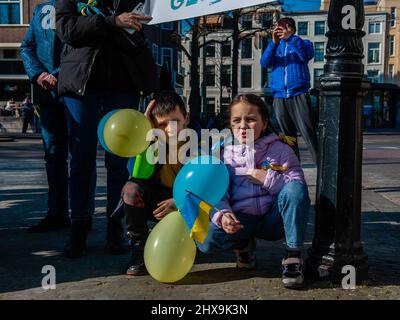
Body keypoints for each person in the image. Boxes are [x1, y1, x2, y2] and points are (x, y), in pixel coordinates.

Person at [56, 0, 157, 258]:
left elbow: (148, 23)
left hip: (125, 84)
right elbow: (66, 29)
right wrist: (113, 21)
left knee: (120, 162)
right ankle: (79, 227)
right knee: (81, 159)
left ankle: (116, 228)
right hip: (82, 85)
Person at [197, 94, 311, 289]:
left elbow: (297, 187)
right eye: (236, 120)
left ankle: (293, 256)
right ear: (231, 126)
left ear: (264, 123)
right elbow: (217, 192)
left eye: (250, 119)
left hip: (273, 220)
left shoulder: (281, 150)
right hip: (241, 220)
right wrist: (223, 215)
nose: (243, 125)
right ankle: (243, 246)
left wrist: (268, 178)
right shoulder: (222, 154)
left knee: (294, 190)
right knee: (205, 239)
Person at [121, 91, 190, 276]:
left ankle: (186, 243)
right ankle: (139, 248)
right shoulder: (152, 144)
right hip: (158, 201)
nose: (169, 129)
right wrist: (145, 133)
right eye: (162, 125)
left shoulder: (198, 147)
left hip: (185, 204)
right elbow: (137, 177)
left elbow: (203, 188)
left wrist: (179, 202)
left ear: (187, 119)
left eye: (175, 122)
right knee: (131, 189)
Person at [20, 0, 71, 233]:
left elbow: (83, 48)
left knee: (82, 157)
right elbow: (26, 46)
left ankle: (82, 215)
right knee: (53, 156)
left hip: (75, 91)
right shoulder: (40, 10)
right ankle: (57, 213)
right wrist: (39, 74)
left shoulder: (82, 7)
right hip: (47, 95)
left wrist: (56, 74)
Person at [260, 17, 318, 163]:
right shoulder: (276, 48)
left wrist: (290, 39)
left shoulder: (303, 43)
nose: (280, 31)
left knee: (308, 133)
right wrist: (273, 43)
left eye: (283, 28)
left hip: (298, 94)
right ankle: (294, 172)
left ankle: (322, 169)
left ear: (291, 28)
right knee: (288, 138)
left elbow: (306, 55)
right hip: (279, 97)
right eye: (278, 28)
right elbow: (265, 62)